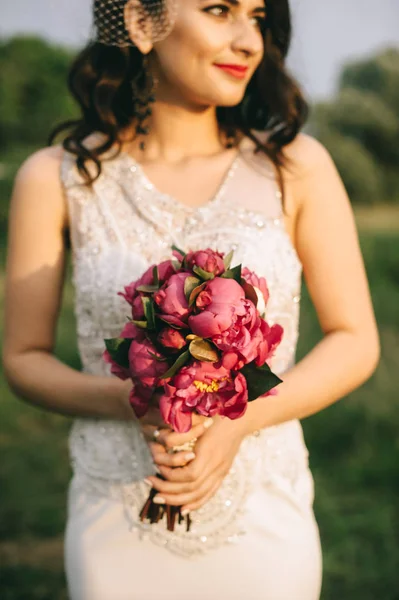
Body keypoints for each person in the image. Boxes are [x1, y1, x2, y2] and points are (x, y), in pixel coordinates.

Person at [2, 0, 380, 598]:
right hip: (117, 520)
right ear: (139, 22)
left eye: (257, 18)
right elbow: (22, 359)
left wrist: (241, 419)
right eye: (218, 10)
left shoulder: (295, 167)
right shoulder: (57, 178)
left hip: (263, 522)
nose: (249, 40)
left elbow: (356, 341)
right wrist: (136, 401)